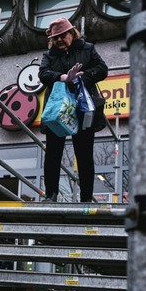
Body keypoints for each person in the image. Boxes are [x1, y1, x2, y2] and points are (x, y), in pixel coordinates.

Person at [38, 17, 108, 203]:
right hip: (58, 109)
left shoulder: (88, 49)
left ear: (72, 33)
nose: (59, 40)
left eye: (62, 35)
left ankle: (86, 198)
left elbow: (102, 69)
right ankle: (51, 195)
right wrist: (62, 77)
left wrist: (80, 78)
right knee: (53, 153)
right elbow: (43, 74)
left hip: (83, 107)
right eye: (56, 37)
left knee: (84, 154)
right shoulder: (49, 55)